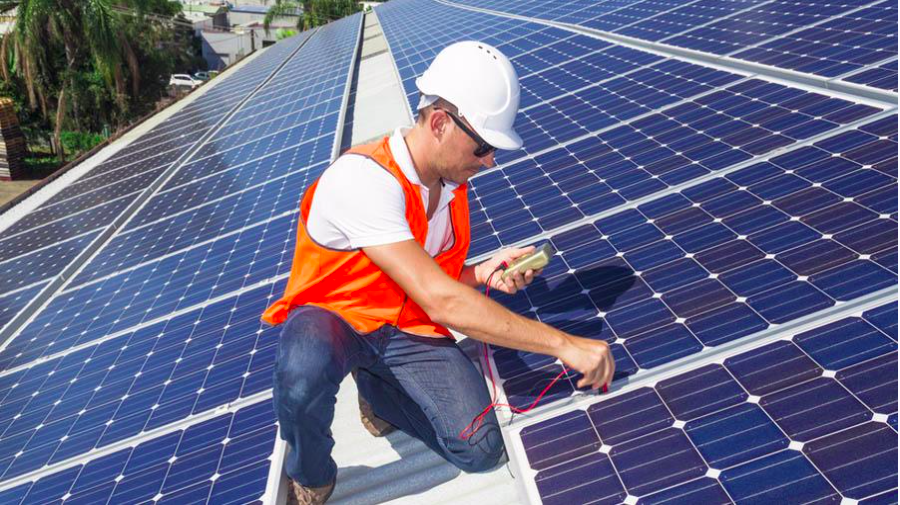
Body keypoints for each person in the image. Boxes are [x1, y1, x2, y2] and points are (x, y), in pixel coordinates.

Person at [262, 41, 615, 505]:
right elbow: (441, 300)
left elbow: (437, 279)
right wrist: (564, 344)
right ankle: (313, 473)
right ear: (441, 122)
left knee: (481, 448)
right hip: (335, 319)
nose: (490, 160)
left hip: (403, 325)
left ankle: (377, 388)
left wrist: (483, 273)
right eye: (484, 145)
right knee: (303, 371)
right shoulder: (363, 180)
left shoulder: (449, 189)